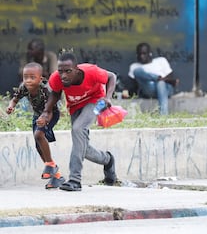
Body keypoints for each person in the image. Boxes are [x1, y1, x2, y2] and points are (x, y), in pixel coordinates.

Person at [39, 51, 117, 191]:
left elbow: (112, 76)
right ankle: (107, 160)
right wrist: (46, 111)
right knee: (81, 147)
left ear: (77, 69)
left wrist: (108, 97)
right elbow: (56, 93)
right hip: (75, 106)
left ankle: (75, 180)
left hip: (96, 101)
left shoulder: (91, 71)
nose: (63, 76)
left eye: (68, 71)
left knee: (78, 129)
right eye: (61, 71)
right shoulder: (56, 78)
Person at [7, 62, 64, 189]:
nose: (28, 80)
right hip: (37, 115)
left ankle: (49, 164)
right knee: (38, 146)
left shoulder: (45, 90)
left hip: (51, 114)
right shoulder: (23, 87)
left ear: (40, 79)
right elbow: (15, 99)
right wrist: (11, 106)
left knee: (39, 134)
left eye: (32, 77)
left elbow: (49, 110)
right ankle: (57, 176)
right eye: (25, 77)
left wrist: (45, 119)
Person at [127, 42, 178, 115]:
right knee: (137, 71)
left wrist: (161, 80)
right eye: (139, 54)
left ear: (150, 53)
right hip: (148, 89)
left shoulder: (161, 61)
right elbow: (133, 86)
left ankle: (163, 114)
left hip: (165, 90)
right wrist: (156, 78)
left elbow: (170, 77)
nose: (142, 56)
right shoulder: (134, 66)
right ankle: (157, 78)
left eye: (144, 54)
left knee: (160, 83)